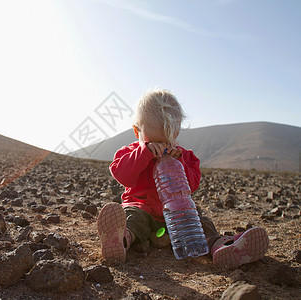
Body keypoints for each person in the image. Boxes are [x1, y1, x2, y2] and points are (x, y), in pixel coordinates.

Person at [97, 88, 269, 269]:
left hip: (176, 217)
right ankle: (120, 241)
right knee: (132, 218)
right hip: (142, 210)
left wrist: (178, 162)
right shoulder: (131, 153)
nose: (162, 147)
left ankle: (224, 248)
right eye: (155, 141)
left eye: (168, 141)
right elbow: (123, 176)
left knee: (202, 223)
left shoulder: (184, 156)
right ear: (136, 131)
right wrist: (143, 153)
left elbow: (192, 185)